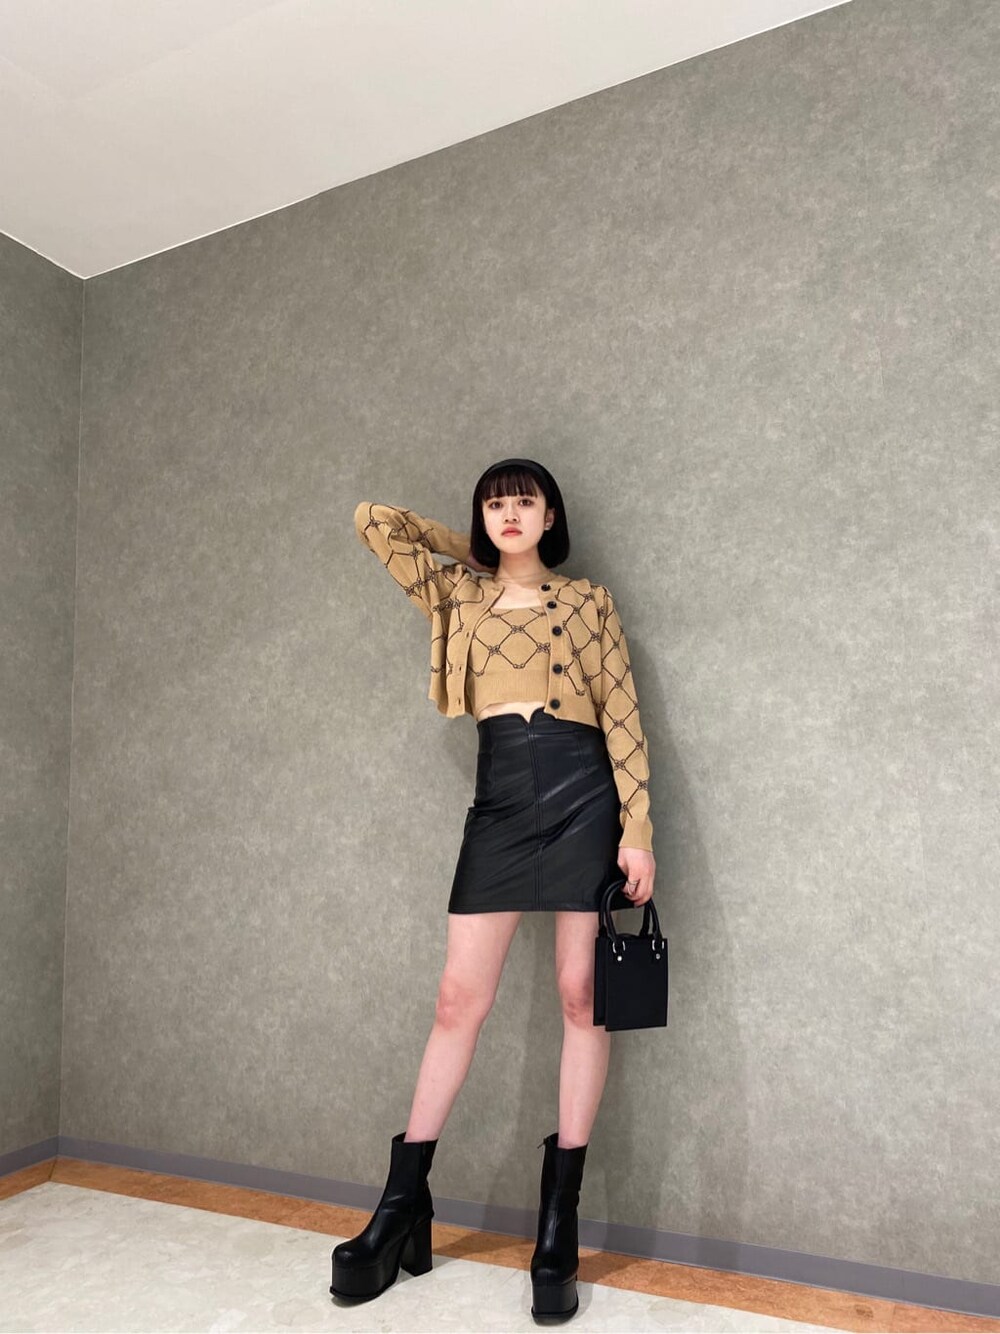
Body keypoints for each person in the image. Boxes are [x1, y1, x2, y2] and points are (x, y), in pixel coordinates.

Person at [332, 458, 655, 1322]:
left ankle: (558, 1225)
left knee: (581, 995)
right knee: (456, 1001)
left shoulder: (588, 602)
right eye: (495, 504)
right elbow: (372, 521)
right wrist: (472, 549)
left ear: (551, 515)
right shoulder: (459, 596)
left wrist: (638, 828)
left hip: (585, 797)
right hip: (501, 802)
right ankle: (402, 1206)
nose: (510, 513)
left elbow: (623, 714)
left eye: (525, 502)